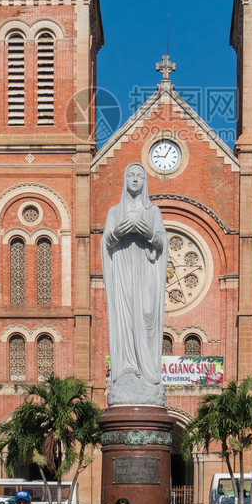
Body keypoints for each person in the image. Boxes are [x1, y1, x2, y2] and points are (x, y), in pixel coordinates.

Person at [101, 163, 168, 407]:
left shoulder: (153, 212)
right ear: (125, 180)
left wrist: (148, 232)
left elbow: (162, 242)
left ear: (145, 182)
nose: (135, 179)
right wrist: (118, 231)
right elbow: (106, 242)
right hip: (123, 273)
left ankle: (147, 371)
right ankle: (127, 368)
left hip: (146, 274)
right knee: (125, 319)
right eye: (131, 175)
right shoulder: (114, 212)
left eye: (140, 176)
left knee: (145, 317)